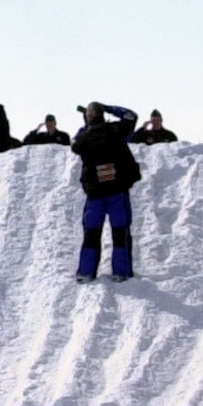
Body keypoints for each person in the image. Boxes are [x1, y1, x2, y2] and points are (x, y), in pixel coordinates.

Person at [71, 101, 141, 282]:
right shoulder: (115, 131)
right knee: (120, 231)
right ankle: (121, 272)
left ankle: (86, 272)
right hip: (117, 191)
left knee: (91, 233)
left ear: (88, 117)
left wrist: (88, 124)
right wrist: (109, 108)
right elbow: (130, 115)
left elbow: (75, 144)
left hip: (95, 194)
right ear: (103, 115)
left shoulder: (84, 138)